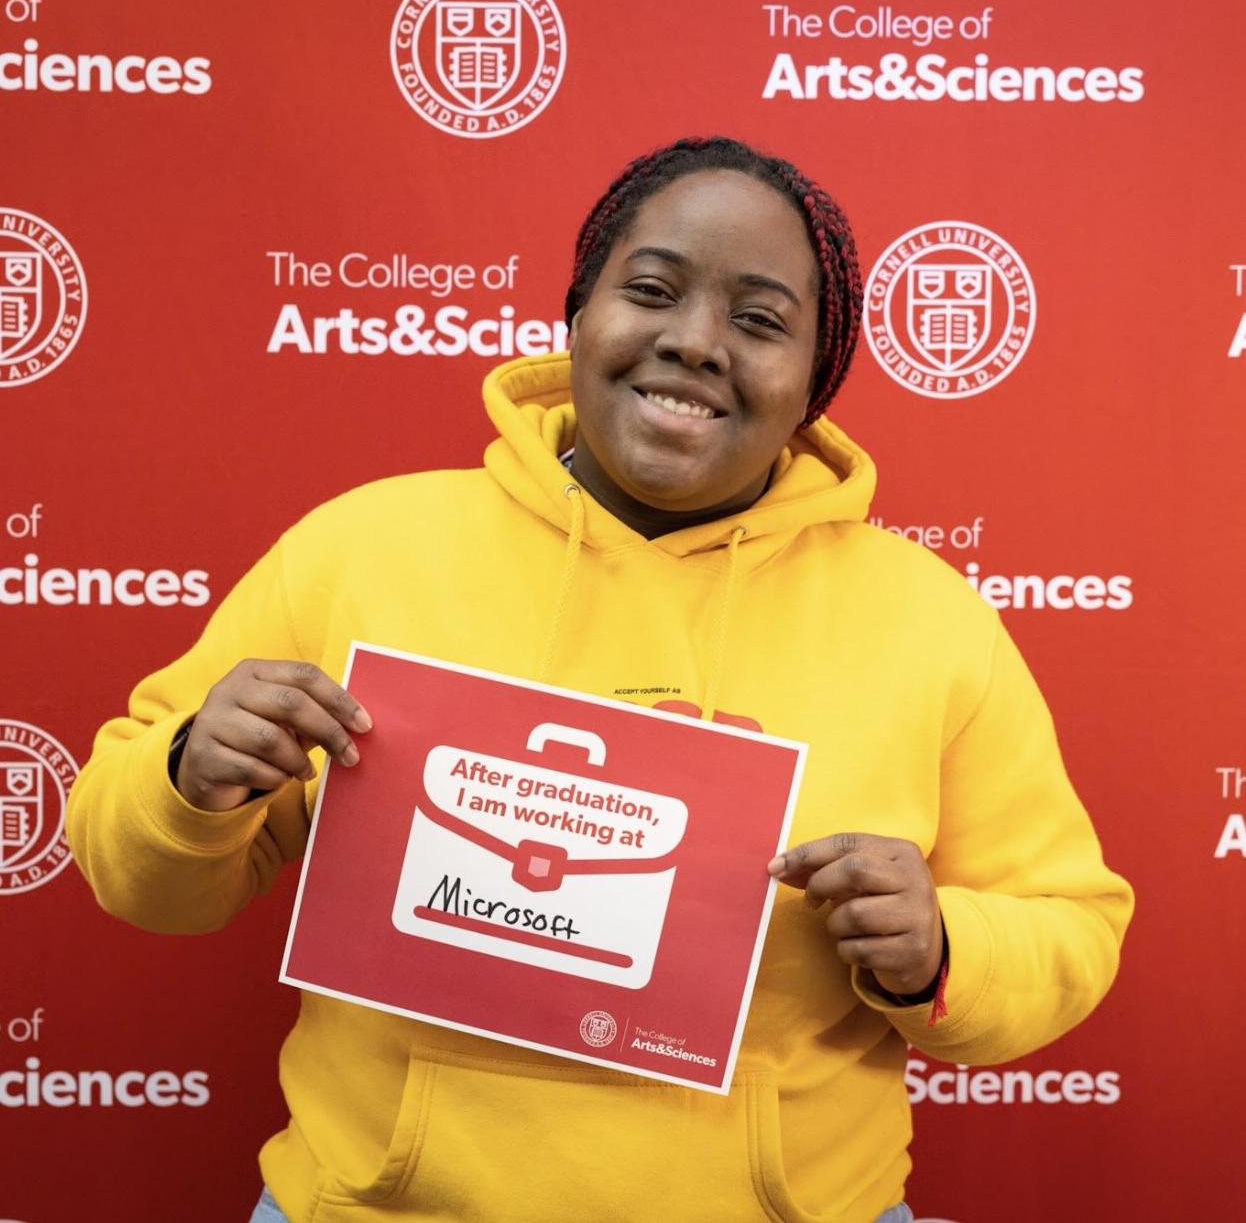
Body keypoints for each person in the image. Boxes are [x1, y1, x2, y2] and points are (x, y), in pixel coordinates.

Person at [67, 136, 1133, 1223]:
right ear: (577, 314)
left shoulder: (924, 618)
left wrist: (942, 949)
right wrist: (190, 776)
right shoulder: (363, 550)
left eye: (759, 321)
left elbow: (1070, 924)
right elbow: (136, 876)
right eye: (652, 290)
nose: (693, 343)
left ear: (815, 383)